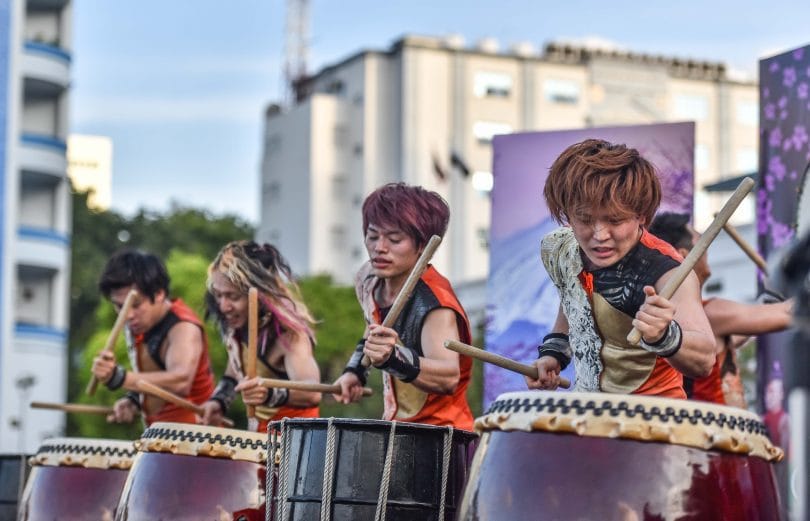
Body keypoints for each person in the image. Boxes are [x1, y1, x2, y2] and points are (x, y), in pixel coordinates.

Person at [526, 139, 716, 397]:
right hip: (589, 412)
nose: (600, 234)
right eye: (583, 218)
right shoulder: (560, 249)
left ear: (641, 216)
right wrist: (554, 355)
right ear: (567, 214)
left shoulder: (668, 272)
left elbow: (704, 359)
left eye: (615, 220)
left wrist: (664, 336)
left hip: (652, 421)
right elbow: (573, 303)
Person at [332, 183, 474, 430]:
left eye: (395, 239)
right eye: (373, 235)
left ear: (422, 246)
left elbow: (448, 376)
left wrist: (392, 358)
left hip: (441, 433)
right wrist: (355, 370)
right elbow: (373, 328)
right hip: (399, 426)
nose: (379, 248)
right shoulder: (368, 279)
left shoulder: (436, 303)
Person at [649, 212, 793, 407]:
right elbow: (788, 313)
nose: (708, 251)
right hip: (715, 431)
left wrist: (770, 299)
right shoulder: (710, 314)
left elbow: (735, 335)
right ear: (684, 256)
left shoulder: (669, 321)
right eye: (701, 243)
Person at [201, 241, 321, 432]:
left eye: (233, 296)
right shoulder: (239, 325)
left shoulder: (289, 334)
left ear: (260, 294)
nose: (223, 306)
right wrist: (218, 401)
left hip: (295, 444)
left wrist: (268, 394)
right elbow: (235, 370)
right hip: (260, 438)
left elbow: (312, 392)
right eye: (218, 295)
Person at [91, 250, 215, 425]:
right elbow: (151, 376)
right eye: (119, 306)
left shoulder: (184, 327)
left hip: (196, 441)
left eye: (136, 304)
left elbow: (180, 381)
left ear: (159, 294)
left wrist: (119, 378)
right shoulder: (137, 323)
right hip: (159, 436)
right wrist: (135, 400)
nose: (127, 315)